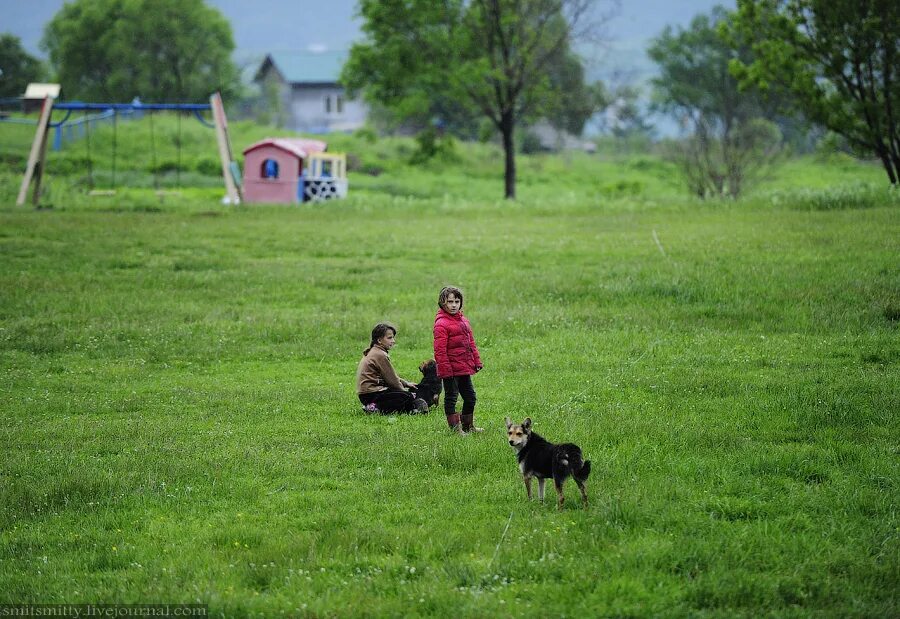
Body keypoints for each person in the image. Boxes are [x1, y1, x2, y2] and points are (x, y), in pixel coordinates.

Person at [433, 286, 484, 433]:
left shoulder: (463, 320)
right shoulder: (441, 324)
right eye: (450, 302)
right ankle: (456, 430)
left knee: (470, 397)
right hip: (450, 370)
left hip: (463, 367)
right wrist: (446, 371)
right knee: (451, 398)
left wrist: (476, 361)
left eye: (457, 301)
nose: (454, 305)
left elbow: (471, 343)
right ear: (442, 303)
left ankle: (468, 427)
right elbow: (440, 351)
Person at [356, 323, 428, 414]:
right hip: (371, 394)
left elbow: (390, 377)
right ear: (379, 340)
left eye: (393, 337)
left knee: (402, 395)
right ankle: (375, 407)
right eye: (389, 338)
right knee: (406, 397)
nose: (393, 341)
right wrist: (407, 394)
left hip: (366, 394)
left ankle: (408, 408)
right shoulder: (380, 355)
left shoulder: (375, 351)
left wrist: (406, 383)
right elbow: (392, 381)